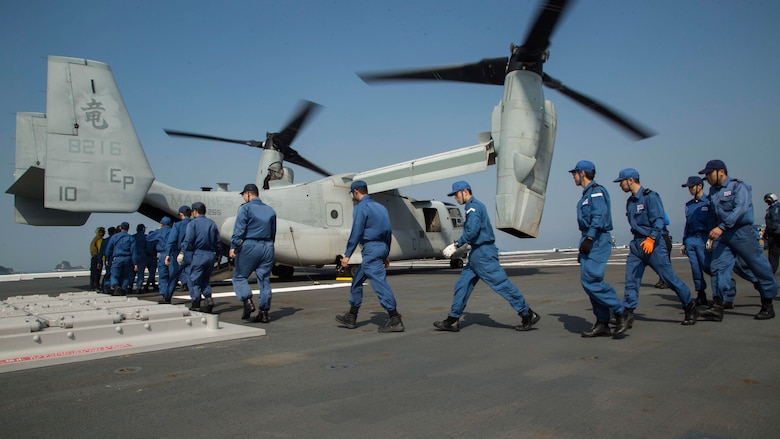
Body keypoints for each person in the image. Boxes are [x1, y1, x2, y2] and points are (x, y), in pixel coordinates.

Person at [434, 180, 539, 332]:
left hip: (484, 254)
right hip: (477, 254)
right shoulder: (474, 206)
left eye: (456, 195)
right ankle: (452, 320)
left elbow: (473, 231)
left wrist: (456, 245)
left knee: (501, 285)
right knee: (462, 285)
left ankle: (527, 313)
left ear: (465, 192)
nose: (455, 199)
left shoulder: (473, 207)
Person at [613, 168, 697, 326]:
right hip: (637, 245)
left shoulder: (650, 197)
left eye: (622, 181)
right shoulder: (630, 202)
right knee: (631, 279)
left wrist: (651, 238)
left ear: (630, 180)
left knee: (669, 278)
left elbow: (659, 220)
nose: (620, 185)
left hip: (653, 243)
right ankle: (628, 313)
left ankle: (689, 306)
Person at [697, 160, 777, 320]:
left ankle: (768, 304)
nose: (707, 177)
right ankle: (718, 307)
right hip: (722, 234)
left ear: (721, 172)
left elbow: (740, 209)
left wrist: (722, 227)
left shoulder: (738, 186)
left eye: (709, 173)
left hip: (741, 232)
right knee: (717, 267)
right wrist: (712, 234)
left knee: (758, 266)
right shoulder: (713, 191)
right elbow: (713, 215)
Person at [335, 180, 405, 332]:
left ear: (355, 193)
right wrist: (386, 254)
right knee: (357, 280)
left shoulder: (361, 207)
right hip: (381, 247)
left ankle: (394, 319)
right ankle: (351, 316)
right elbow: (388, 232)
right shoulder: (381, 208)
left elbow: (356, 231)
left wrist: (347, 255)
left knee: (379, 283)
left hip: (371, 249)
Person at [569, 161, 628, 337]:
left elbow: (599, 216)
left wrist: (589, 237)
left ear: (582, 173)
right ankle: (602, 322)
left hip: (597, 239)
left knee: (591, 280)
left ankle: (620, 311)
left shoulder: (596, 192)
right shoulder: (586, 194)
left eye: (575, 173)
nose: (573, 176)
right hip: (589, 239)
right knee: (587, 281)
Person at [230, 183, 277, 323]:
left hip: (250, 245)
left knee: (239, 276)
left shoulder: (245, 209)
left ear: (248, 194)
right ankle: (264, 313)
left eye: (244, 195)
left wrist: (234, 246)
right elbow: (273, 232)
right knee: (264, 280)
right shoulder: (270, 210)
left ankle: (247, 301)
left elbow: (239, 229)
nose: (244, 197)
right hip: (267, 246)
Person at [178, 202, 221, 313]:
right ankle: (208, 298)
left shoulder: (193, 224)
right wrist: (218, 254)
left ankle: (196, 303)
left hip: (199, 254)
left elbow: (188, 240)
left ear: (195, 211)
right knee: (205, 279)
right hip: (211, 255)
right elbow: (218, 241)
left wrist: (182, 252)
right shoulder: (211, 223)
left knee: (195, 280)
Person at [681, 176, 711, 306]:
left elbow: (713, 221)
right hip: (691, 238)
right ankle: (701, 293)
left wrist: (711, 238)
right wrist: (684, 242)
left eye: (692, 187)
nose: (690, 190)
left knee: (709, 267)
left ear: (700, 186)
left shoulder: (709, 202)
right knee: (695, 268)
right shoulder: (689, 205)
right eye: (688, 187)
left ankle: (725, 293)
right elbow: (687, 224)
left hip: (704, 237)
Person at [165, 206, 193, 300]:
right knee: (191, 277)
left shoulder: (177, 225)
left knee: (173, 277)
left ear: (181, 214)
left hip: (178, 253)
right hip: (192, 253)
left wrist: (168, 254)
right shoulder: (194, 224)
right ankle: (195, 299)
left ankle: (167, 298)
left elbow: (171, 240)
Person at [105, 222, 136, 296]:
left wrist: (107, 259)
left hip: (117, 258)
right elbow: (134, 251)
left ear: (120, 228)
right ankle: (123, 289)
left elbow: (109, 249)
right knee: (126, 276)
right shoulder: (131, 238)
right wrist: (135, 263)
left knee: (114, 275)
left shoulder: (114, 237)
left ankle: (116, 286)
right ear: (128, 228)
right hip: (128, 259)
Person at [147, 217, 173, 303]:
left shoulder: (159, 231)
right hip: (173, 255)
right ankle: (169, 295)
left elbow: (148, 238)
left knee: (163, 277)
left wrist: (157, 230)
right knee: (172, 276)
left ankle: (164, 296)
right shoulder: (173, 231)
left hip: (163, 254)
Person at [763, 192, 780, 273]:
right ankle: (771, 270)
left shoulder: (778, 207)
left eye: (768, 200)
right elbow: (768, 223)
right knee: (773, 252)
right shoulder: (769, 210)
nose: (767, 202)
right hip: (772, 234)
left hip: (778, 232)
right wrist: (766, 233)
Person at [132, 224, 149, 294]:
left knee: (132, 272)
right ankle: (139, 287)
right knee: (141, 272)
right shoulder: (145, 237)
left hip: (133, 256)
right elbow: (148, 248)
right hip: (142, 255)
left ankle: (130, 286)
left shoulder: (133, 237)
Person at [89, 227, 105, 291]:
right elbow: (100, 250)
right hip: (97, 258)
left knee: (93, 273)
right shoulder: (100, 240)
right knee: (97, 273)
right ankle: (96, 286)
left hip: (93, 257)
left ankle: (92, 286)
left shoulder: (95, 239)